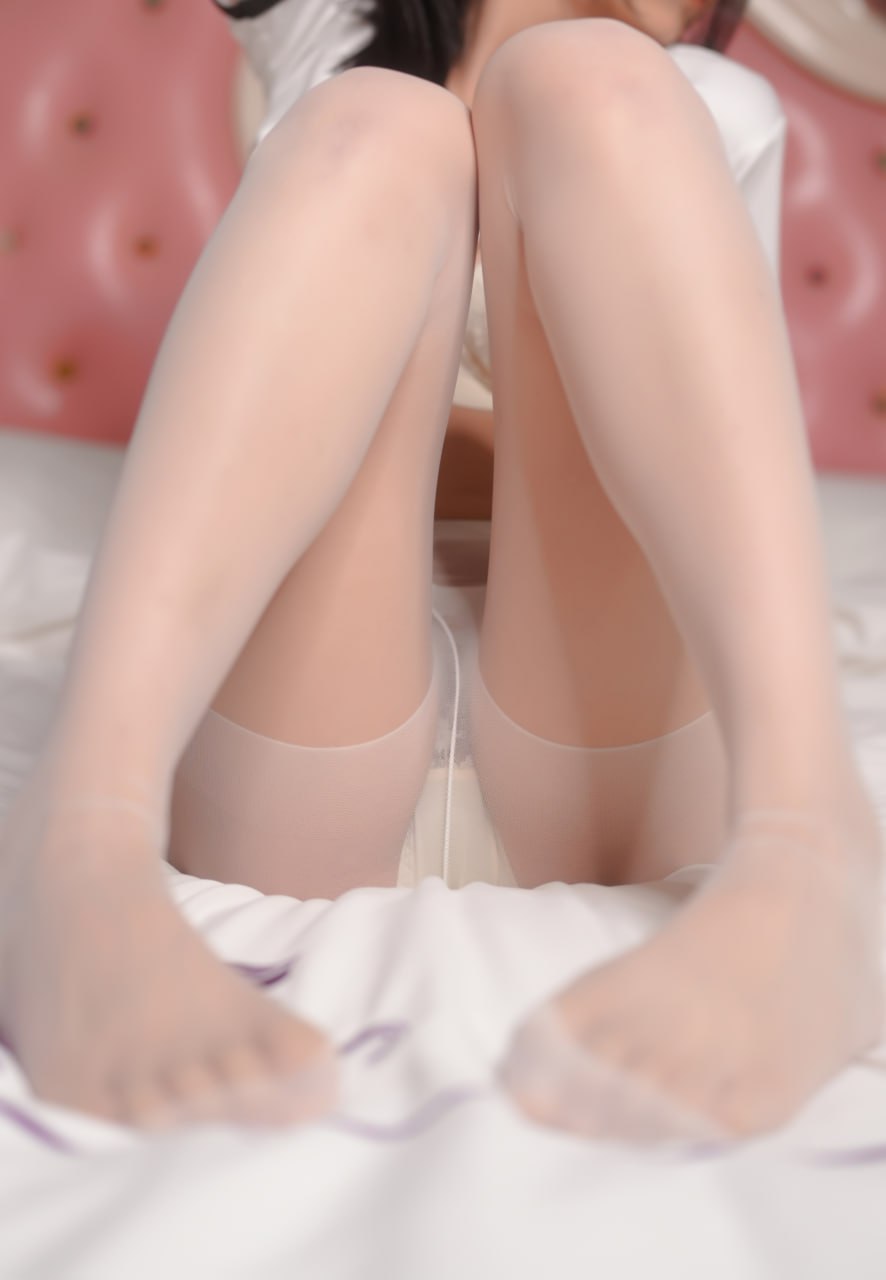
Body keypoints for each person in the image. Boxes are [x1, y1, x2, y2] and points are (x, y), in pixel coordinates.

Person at [0, 0, 881, 1141]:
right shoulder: (325, 44)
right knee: (378, 123)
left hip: (611, 766)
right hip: (302, 756)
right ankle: (80, 842)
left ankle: (809, 839)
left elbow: (711, 459)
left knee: (590, 83)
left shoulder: (698, 111)